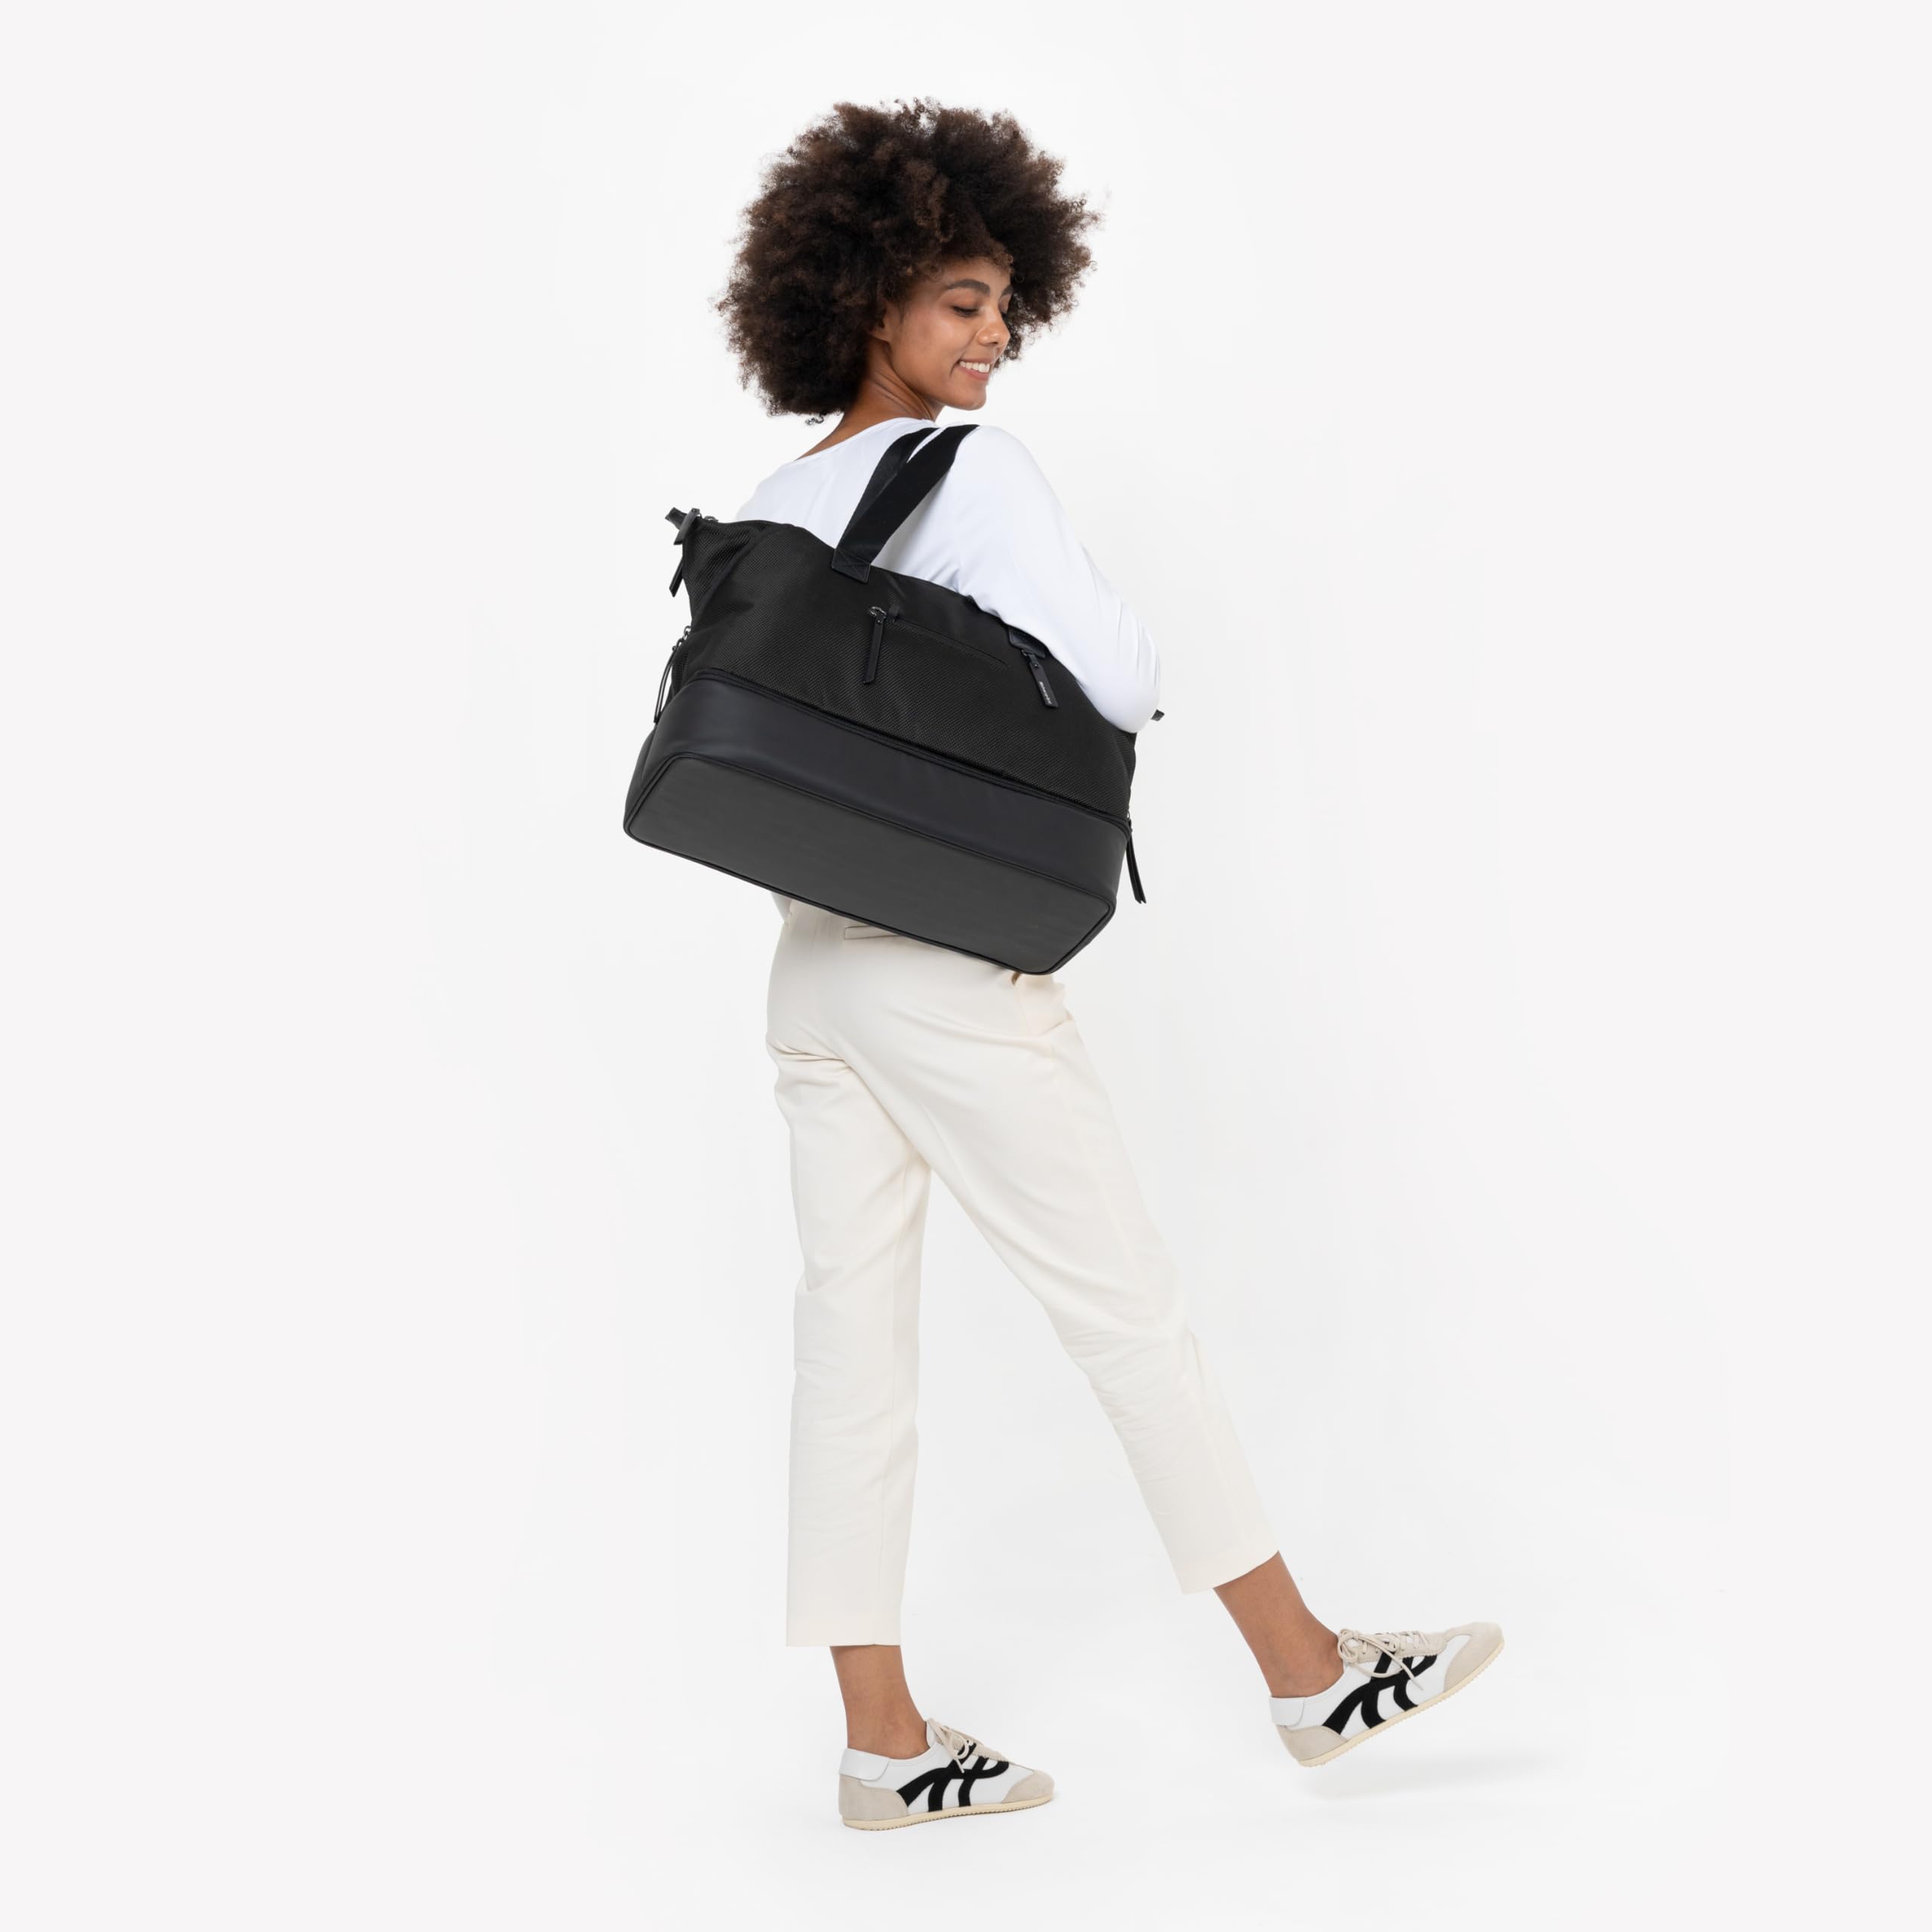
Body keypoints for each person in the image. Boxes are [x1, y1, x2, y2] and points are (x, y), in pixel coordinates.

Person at [713, 97, 1502, 1831]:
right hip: (943, 968)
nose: (993, 337)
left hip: (811, 969)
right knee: (1126, 1311)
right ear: (867, 298)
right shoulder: (969, 471)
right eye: (960, 301)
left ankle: (879, 1741)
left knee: (849, 1350)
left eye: (1006, 306)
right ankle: (1306, 1670)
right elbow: (1124, 674)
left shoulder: (775, 502)